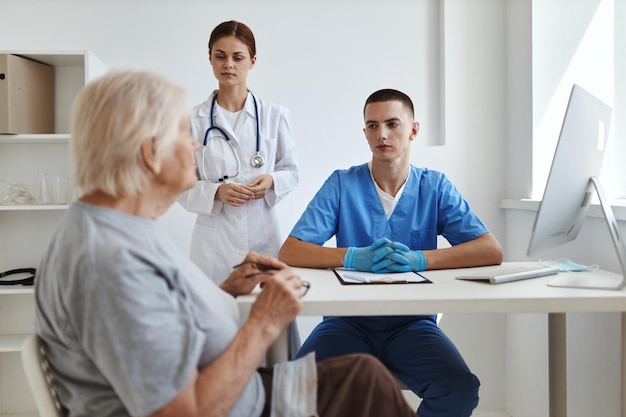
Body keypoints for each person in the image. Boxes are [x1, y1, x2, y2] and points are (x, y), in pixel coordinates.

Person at [33, 70, 418, 417]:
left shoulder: (122, 226)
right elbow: (180, 412)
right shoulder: (109, 261)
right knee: (366, 387)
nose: (196, 146)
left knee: (362, 376)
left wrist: (227, 290)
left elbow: (160, 317)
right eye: (183, 135)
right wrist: (264, 322)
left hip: (245, 393)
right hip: (240, 405)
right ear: (151, 154)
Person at [279, 88, 504, 417]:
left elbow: (490, 250)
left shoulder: (434, 187)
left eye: (392, 124)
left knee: (459, 390)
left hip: (411, 324)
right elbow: (291, 250)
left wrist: (421, 260)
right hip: (347, 321)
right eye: (372, 126)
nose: (381, 134)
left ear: (413, 130)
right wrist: (352, 257)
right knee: (293, 390)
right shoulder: (342, 184)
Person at [178, 20, 299, 284]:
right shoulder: (191, 120)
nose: (228, 64)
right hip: (213, 246)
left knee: (268, 317)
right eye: (220, 56)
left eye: (238, 57)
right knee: (216, 320)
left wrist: (271, 181)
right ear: (210, 58)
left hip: (262, 237)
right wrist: (216, 192)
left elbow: (291, 172)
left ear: (252, 61)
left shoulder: (275, 115)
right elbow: (178, 185)